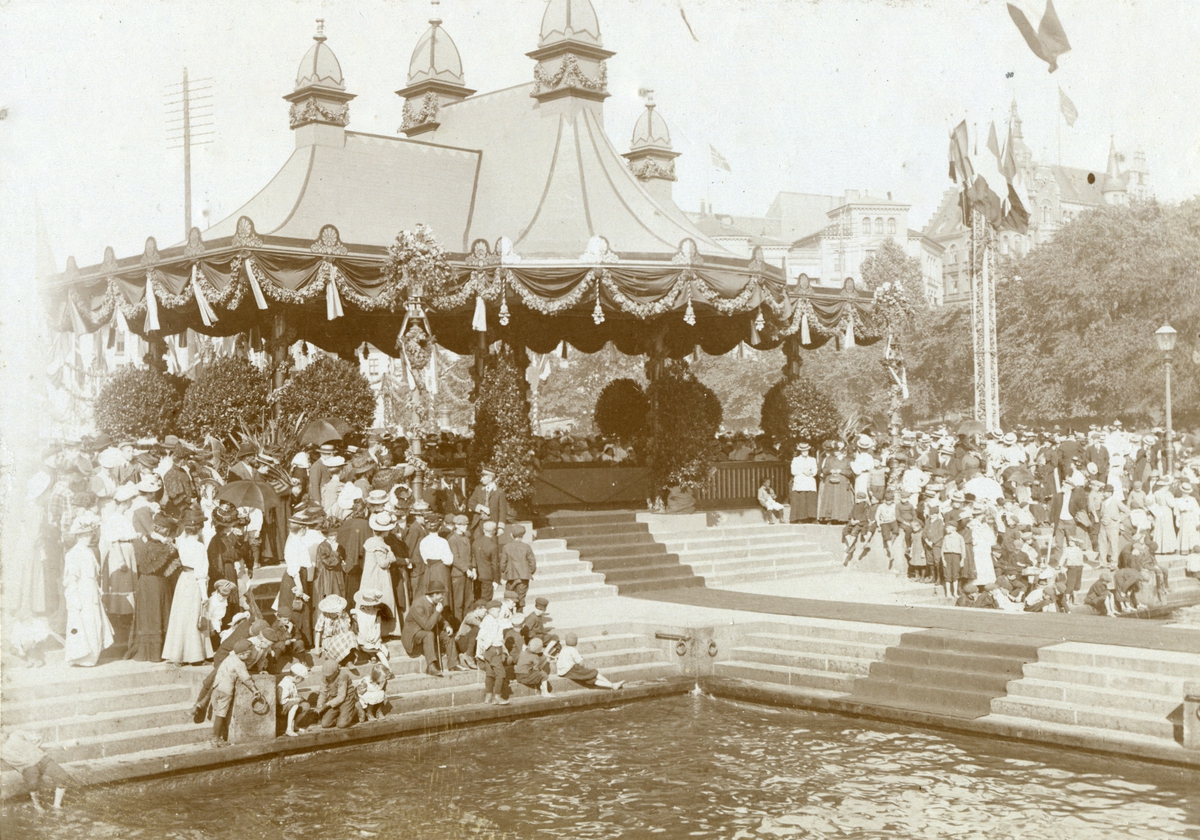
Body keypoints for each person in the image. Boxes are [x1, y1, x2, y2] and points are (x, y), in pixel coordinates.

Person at [62, 511, 114, 667]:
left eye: (90, 534)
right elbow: (71, 579)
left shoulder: (89, 551)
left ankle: (92, 654)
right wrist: (74, 599)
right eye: (85, 535)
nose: (90, 537)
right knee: (84, 622)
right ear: (78, 536)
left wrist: (97, 589)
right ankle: (82, 655)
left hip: (91, 589)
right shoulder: (73, 554)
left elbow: (93, 574)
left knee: (94, 622)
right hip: (81, 591)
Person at [210, 639, 266, 747]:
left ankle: (218, 737)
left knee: (218, 714)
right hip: (225, 691)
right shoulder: (239, 663)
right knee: (221, 715)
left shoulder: (230, 658)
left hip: (216, 687)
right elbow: (246, 678)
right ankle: (215, 739)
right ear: (242, 654)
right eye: (249, 654)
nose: (250, 656)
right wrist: (255, 690)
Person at [2, 729, 72, 812]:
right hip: (27, 767)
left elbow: (37, 737)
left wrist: (34, 744)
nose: (2, 733)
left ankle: (57, 805)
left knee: (62, 776)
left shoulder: (16, 734)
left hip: (42, 759)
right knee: (33, 783)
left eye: (1, 730)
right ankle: (37, 806)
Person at [401, 581, 453, 676]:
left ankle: (454, 664)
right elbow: (427, 626)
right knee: (429, 634)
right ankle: (431, 666)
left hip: (425, 631)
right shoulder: (418, 605)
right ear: (434, 594)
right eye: (441, 595)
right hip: (413, 635)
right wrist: (437, 611)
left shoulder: (434, 602)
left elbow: (440, 618)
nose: (443, 597)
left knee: (447, 634)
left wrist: (447, 626)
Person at [360, 512, 400, 637]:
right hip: (379, 577)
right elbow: (383, 563)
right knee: (381, 599)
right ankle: (383, 631)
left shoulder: (370, 541)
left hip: (369, 575)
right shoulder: (380, 544)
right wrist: (391, 557)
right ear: (385, 532)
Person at [556, 632, 624, 690]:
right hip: (570, 670)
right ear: (576, 643)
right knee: (593, 673)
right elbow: (581, 663)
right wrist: (582, 668)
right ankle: (612, 685)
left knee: (590, 679)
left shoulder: (564, 649)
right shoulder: (573, 650)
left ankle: (612, 685)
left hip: (562, 671)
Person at [475, 599, 510, 705]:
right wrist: (489, 647)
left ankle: (488, 696)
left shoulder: (486, 620)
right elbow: (490, 638)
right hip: (494, 649)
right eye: (498, 611)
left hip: (488, 651)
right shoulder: (493, 622)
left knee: (490, 674)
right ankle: (497, 696)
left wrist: (483, 650)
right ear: (492, 611)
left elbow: (480, 636)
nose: (499, 613)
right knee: (501, 674)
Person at [467, 465, 508, 540]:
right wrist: (482, 508)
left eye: (483, 477)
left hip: (492, 524)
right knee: (477, 545)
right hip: (479, 524)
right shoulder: (478, 489)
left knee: (491, 546)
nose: (481, 479)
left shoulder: (499, 492)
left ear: (490, 478)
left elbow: (503, 511)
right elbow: (470, 502)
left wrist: (500, 527)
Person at [500, 523, 536, 610]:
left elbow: (502, 564)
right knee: (521, 599)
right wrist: (528, 572)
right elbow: (532, 563)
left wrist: (505, 572)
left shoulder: (506, 547)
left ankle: (510, 618)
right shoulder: (526, 547)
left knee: (510, 599)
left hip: (511, 577)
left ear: (512, 535)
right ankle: (519, 618)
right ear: (523, 535)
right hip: (523, 578)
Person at [313, 594, 356, 666]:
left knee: (351, 634)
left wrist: (341, 618)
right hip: (328, 640)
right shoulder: (324, 615)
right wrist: (317, 648)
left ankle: (349, 661)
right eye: (331, 611)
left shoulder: (344, 614)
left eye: (335, 611)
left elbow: (346, 631)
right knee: (340, 644)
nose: (333, 613)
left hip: (342, 639)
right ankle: (346, 661)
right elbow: (318, 632)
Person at [315, 660, 359, 729]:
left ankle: (355, 710)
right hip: (333, 698)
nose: (327, 677)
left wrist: (327, 704)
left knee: (342, 725)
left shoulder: (343, 676)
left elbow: (341, 696)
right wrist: (320, 704)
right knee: (325, 724)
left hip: (346, 699)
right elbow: (323, 692)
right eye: (325, 675)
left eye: (329, 676)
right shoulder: (324, 676)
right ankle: (342, 716)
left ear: (336, 672)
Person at [351, 588, 389, 665]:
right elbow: (355, 630)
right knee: (362, 644)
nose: (369, 607)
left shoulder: (376, 612)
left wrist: (375, 638)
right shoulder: (357, 613)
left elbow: (378, 627)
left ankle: (388, 669)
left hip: (374, 636)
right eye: (366, 605)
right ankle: (371, 656)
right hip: (361, 636)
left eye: (371, 606)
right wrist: (363, 637)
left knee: (378, 650)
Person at [788, 442, 819, 524]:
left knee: (810, 499)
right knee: (801, 499)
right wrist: (803, 471)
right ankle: (800, 518)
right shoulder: (796, 460)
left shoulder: (812, 459)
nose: (805, 452)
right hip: (800, 481)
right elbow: (793, 471)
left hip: (809, 481)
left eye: (807, 451)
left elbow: (815, 470)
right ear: (800, 451)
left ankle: (812, 517)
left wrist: (811, 473)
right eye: (803, 451)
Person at [278, 661, 312, 737]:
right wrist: (295, 700)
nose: (302, 681)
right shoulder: (285, 684)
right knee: (295, 705)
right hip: (281, 708)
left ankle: (294, 725)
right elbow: (281, 701)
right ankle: (288, 729)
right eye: (302, 679)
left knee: (305, 705)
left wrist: (297, 698)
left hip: (288, 705)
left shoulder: (292, 682)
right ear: (297, 677)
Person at [472, 520, 500, 602]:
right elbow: (495, 565)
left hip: (477, 575)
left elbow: (473, 557)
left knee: (477, 598)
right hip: (488, 576)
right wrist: (496, 580)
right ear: (494, 532)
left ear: (484, 530)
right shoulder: (493, 546)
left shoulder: (475, 542)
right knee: (486, 600)